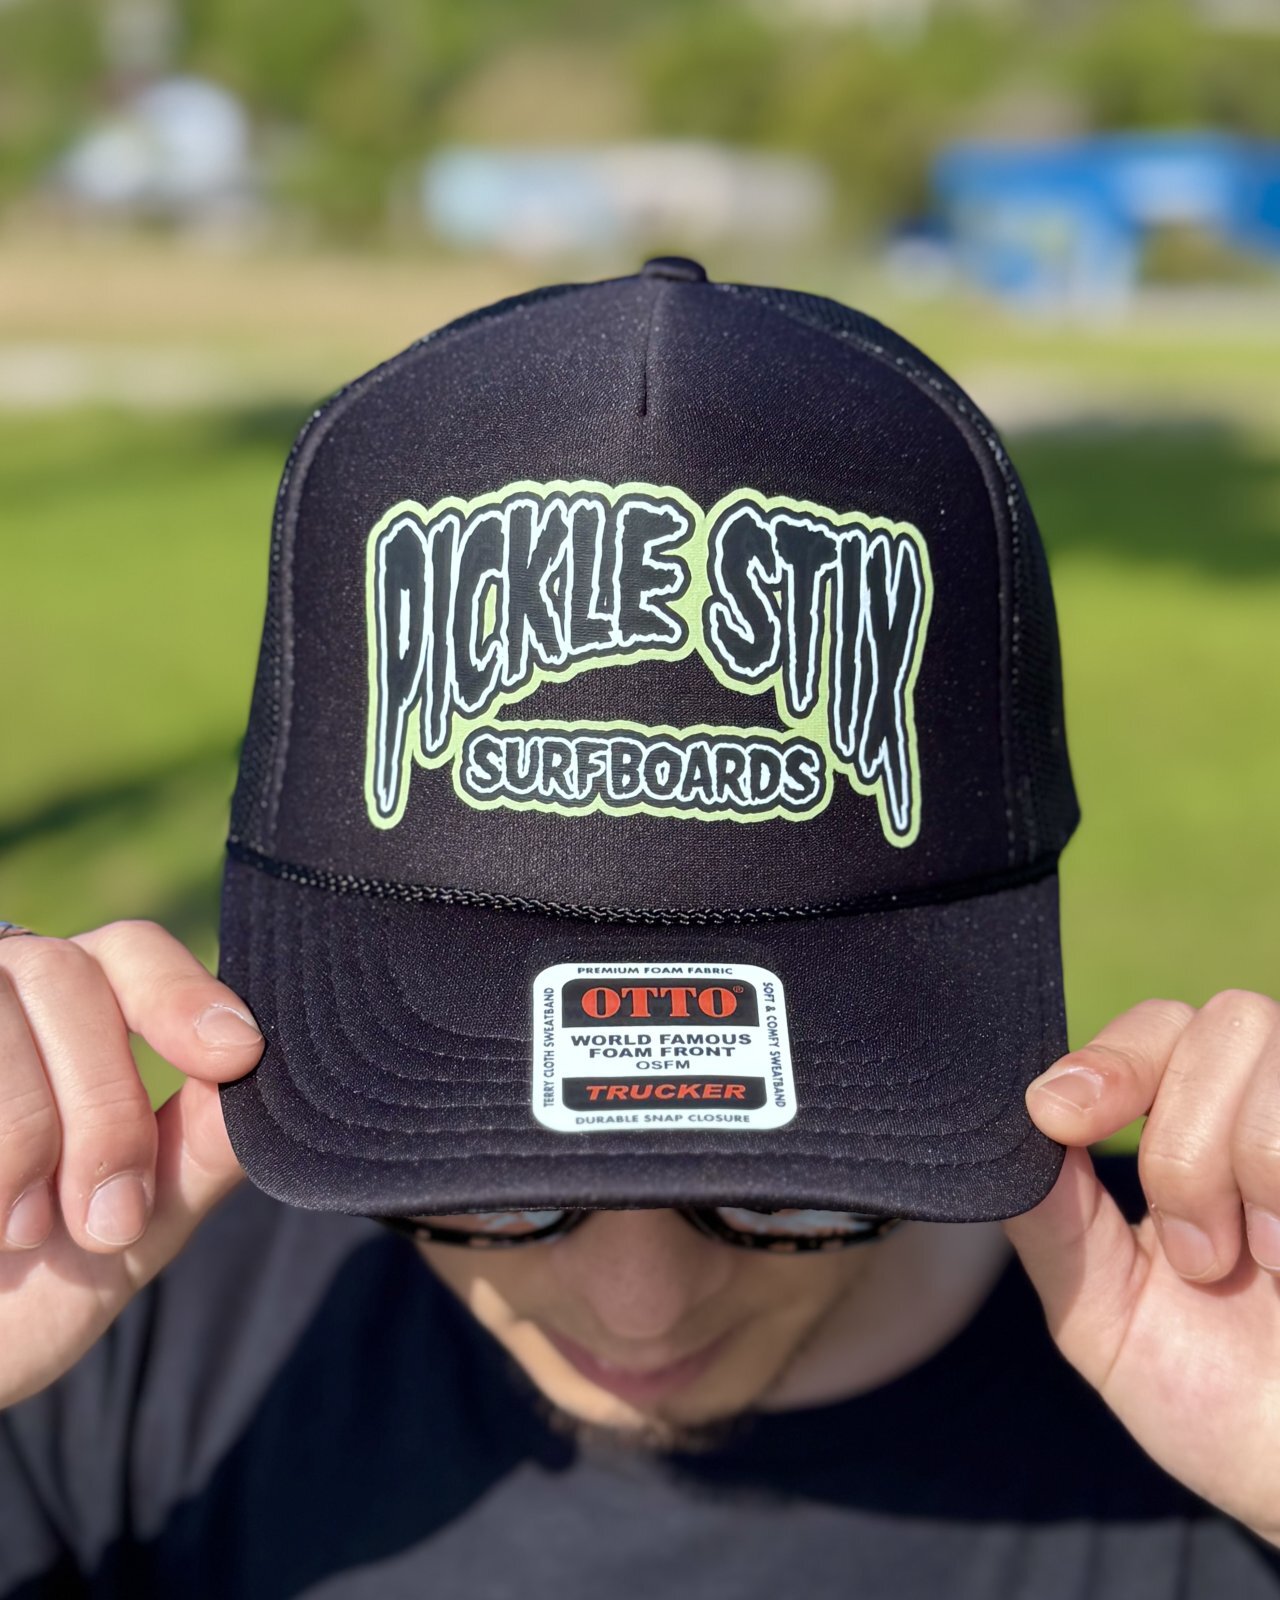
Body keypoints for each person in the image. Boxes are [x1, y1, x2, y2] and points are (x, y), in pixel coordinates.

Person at [1, 259, 1277, 1599]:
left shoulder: (1223, 1344)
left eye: (781, 1184)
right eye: (491, 1175)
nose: (640, 1309)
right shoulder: (116, 1311)